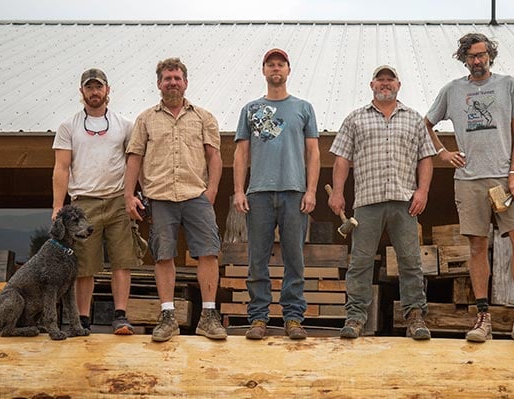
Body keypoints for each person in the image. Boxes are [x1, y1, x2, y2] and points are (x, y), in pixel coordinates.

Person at [424, 33, 514, 351]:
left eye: (482, 54)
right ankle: (483, 318)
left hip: (505, 179)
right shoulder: (452, 90)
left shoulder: (508, 85)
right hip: (468, 179)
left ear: (491, 55)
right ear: (464, 59)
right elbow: (426, 123)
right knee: (477, 245)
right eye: (472, 56)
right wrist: (444, 154)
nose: (478, 60)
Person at [124, 58, 226, 342]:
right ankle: (167, 316)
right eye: (167, 78)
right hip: (160, 198)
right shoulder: (145, 119)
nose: (172, 82)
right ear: (159, 84)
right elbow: (134, 159)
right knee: (163, 254)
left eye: (177, 78)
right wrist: (129, 195)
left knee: (208, 252)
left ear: (186, 82)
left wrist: (212, 191)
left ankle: (208, 315)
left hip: (196, 196)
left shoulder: (204, 117)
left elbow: (214, 157)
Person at [329, 65, 434, 340]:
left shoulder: (414, 120)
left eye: (390, 80)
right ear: (372, 85)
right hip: (367, 201)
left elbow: (426, 158)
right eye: (380, 80)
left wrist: (422, 191)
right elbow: (341, 159)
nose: (385, 84)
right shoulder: (355, 119)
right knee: (361, 262)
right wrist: (337, 192)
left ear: (399, 85)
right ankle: (355, 318)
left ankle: (414, 317)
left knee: (410, 261)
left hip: (405, 201)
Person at [233, 48, 320, 340]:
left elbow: (313, 152)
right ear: (264, 71)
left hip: (295, 193)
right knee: (257, 258)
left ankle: (293, 317)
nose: (275, 69)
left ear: (288, 70)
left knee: (294, 258)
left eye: (280, 64)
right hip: (258, 193)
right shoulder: (251, 109)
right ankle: (258, 318)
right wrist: (238, 190)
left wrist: (311, 190)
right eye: (270, 64)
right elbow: (241, 152)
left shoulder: (303, 108)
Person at [52, 68, 138, 335]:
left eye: (98, 87)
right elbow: (61, 168)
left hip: (117, 199)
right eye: (89, 87)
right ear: (82, 92)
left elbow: (135, 163)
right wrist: (58, 206)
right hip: (83, 203)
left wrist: (133, 195)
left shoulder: (125, 125)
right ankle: (83, 320)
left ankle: (121, 316)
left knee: (122, 260)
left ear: (108, 90)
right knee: (84, 264)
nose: (94, 92)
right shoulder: (69, 127)